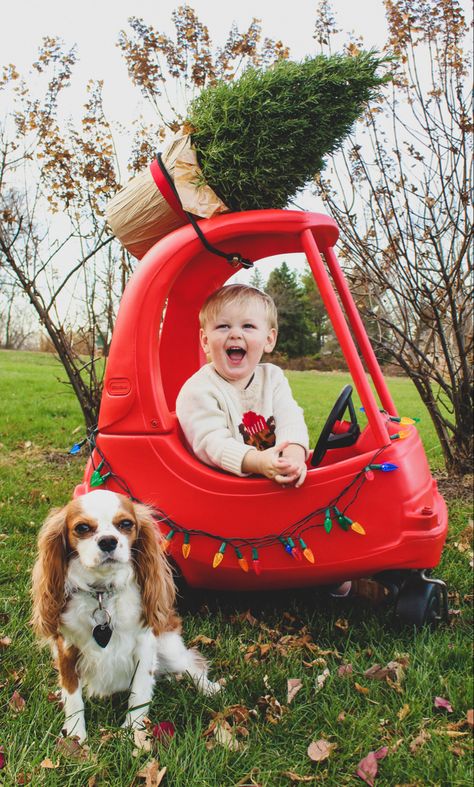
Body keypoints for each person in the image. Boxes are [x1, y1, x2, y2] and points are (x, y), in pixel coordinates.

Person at [176, 283, 309, 487]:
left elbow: (290, 418)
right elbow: (212, 443)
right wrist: (259, 462)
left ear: (269, 339)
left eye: (248, 326)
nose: (235, 334)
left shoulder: (272, 377)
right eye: (223, 326)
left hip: (267, 476)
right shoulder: (199, 389)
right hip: (223, 490)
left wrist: (293, 458)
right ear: (205, 340)